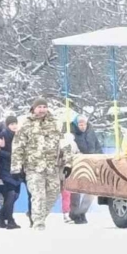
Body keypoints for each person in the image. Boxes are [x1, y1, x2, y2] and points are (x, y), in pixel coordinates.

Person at [11, 98, 75, 230]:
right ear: (33, 109)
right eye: (39, 107)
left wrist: (68, 163)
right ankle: (39, 225)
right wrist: (16, 168)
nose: (42, 110)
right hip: (33, 167)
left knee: (53, 194)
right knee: (38, 196)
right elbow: (17, 147)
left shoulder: (56, 124)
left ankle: (35, 215)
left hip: (52, 167)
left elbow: (65, 144)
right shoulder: (26, 125)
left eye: (44, 107)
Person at [69, 115, 101, 224]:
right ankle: (74, 212)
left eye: (84, 124)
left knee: (91, 190)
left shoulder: (91, 132)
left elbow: (97, 146)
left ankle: (82, 212)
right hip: (77, 163)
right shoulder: (71, 134)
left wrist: (99, 158)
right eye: (80, 124)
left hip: (91, 162)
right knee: (76, 190)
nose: (83, 126)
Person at [0, 116, 22, 229]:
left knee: (16, 194)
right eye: (11, 124)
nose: (14, 126)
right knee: (10, 195)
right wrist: (13, 156)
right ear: (7, 125)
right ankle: (9, 219)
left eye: (15, 123)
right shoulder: (3, 135)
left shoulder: (19, 135)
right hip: (6, 169)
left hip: (18, 170)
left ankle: (0, 215)